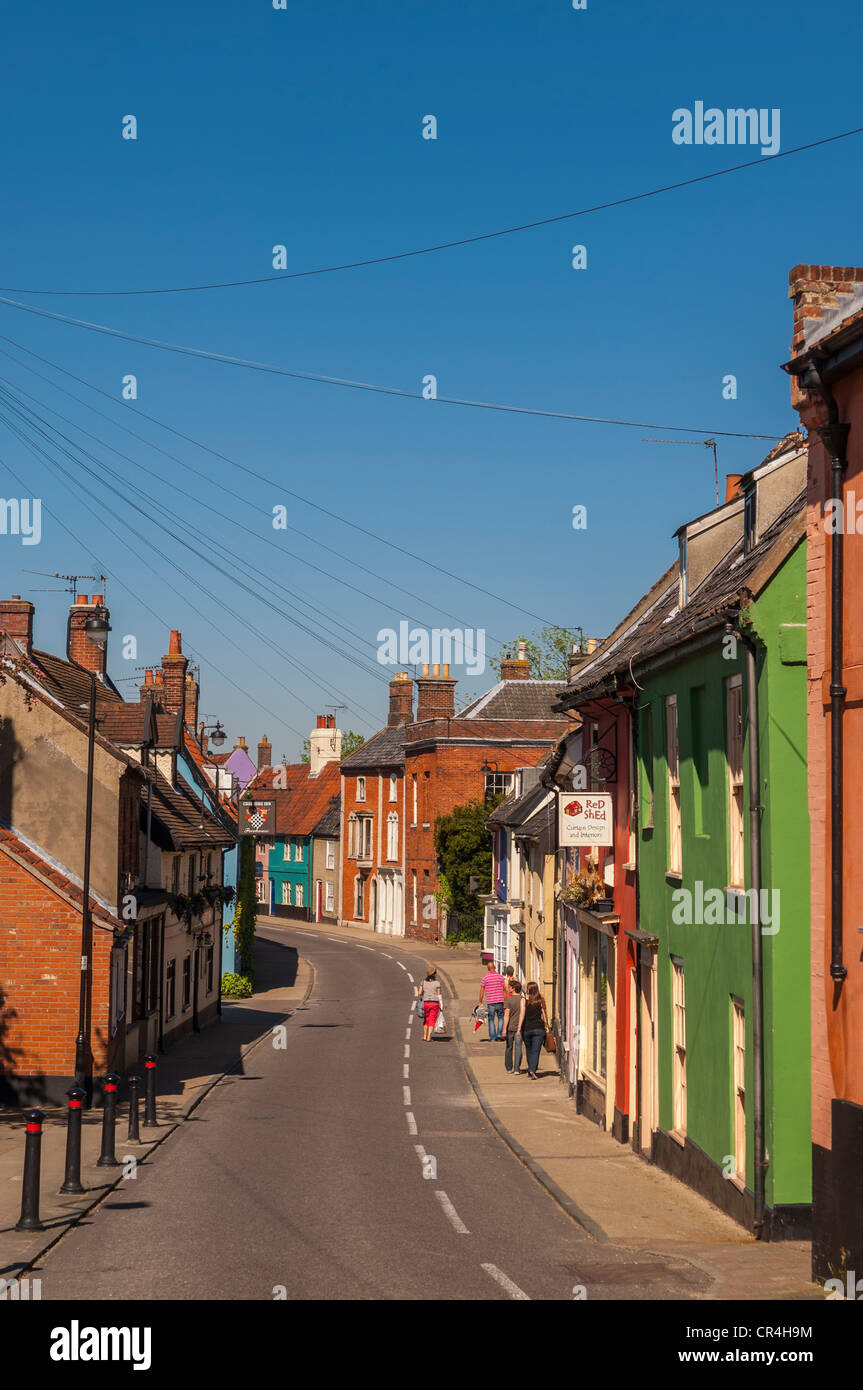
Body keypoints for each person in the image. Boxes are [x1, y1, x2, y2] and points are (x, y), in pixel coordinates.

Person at [522, 981, 549, 1078]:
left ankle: (531, 1070)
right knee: (536, 1050)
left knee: (529, 1050)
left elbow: (522, 1014)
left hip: (527, 1029)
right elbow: (544, 1014)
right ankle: (532, 1070)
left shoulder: (525, 1001)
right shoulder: (541, 1000)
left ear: (529, 990)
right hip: (538, 1029)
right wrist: (546, 1026)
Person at [478, 960, 506, 1041]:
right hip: (500, 1000)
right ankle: (499, 1034)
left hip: (491, 1002)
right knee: (501, 1017)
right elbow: (504, 989)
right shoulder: (500, 977)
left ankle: (493, 1038)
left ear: (488, 969)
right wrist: (505, 1000)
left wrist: (480, 1001)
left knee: (491, 1019)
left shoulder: (485, 978)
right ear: (495, 967)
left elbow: (482, 990)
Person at [503, 980, 525, 1074]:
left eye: (509, 987)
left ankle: (509, 1067)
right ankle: (517, 1068)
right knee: (518, 1048)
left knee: (509, 1047)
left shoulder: (509, 1000)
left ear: (513, 989)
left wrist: (504, 1029)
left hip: (510, 1028)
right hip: (520, 1028)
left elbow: (506, 1015)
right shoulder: (522, 999)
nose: (508, 989)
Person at [418, 967, 442, 1042]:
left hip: (425, 1003)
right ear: (434, 974)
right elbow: (439, 995)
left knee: (426, 1020)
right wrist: (441, 1005)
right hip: (434, 1003)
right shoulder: (437, 983)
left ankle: (425, 1036)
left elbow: (419, 993)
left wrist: (425, 992)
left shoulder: (423, 982)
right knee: (432, 1020)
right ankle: (429, 1037)